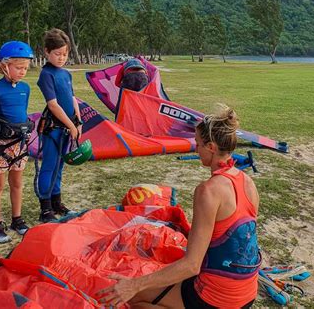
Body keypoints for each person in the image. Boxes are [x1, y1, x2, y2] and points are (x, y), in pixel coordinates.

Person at [97, 106, 260, 309]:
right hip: (247, 293)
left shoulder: (208, 191)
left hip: (217, 298)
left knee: (133, 300)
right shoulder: (247, 182)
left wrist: (133, 285)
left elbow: (192, 265)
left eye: (198, 144)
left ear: (210, 147)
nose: (196, 149)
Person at [0, 41, 34, 243]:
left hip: (19, 143)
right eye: (19, 67)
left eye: (25, 68)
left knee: (17, 181)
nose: (23, 72)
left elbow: (21, 111)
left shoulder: (25, 88)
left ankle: (17, 219)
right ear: (5, 65)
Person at [36, 28, 82, 223]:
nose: (61, 58)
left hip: (68, 127)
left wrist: (78, 122)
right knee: (49, 166)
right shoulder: (46, 74)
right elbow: (53, 104)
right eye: (57, 54)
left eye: (64, 54)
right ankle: (45, 208)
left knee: (60, 166)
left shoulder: (66, 74)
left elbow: (72, 98)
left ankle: (57, 202)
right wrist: (70, 125)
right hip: (53, 129)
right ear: (47, 52)